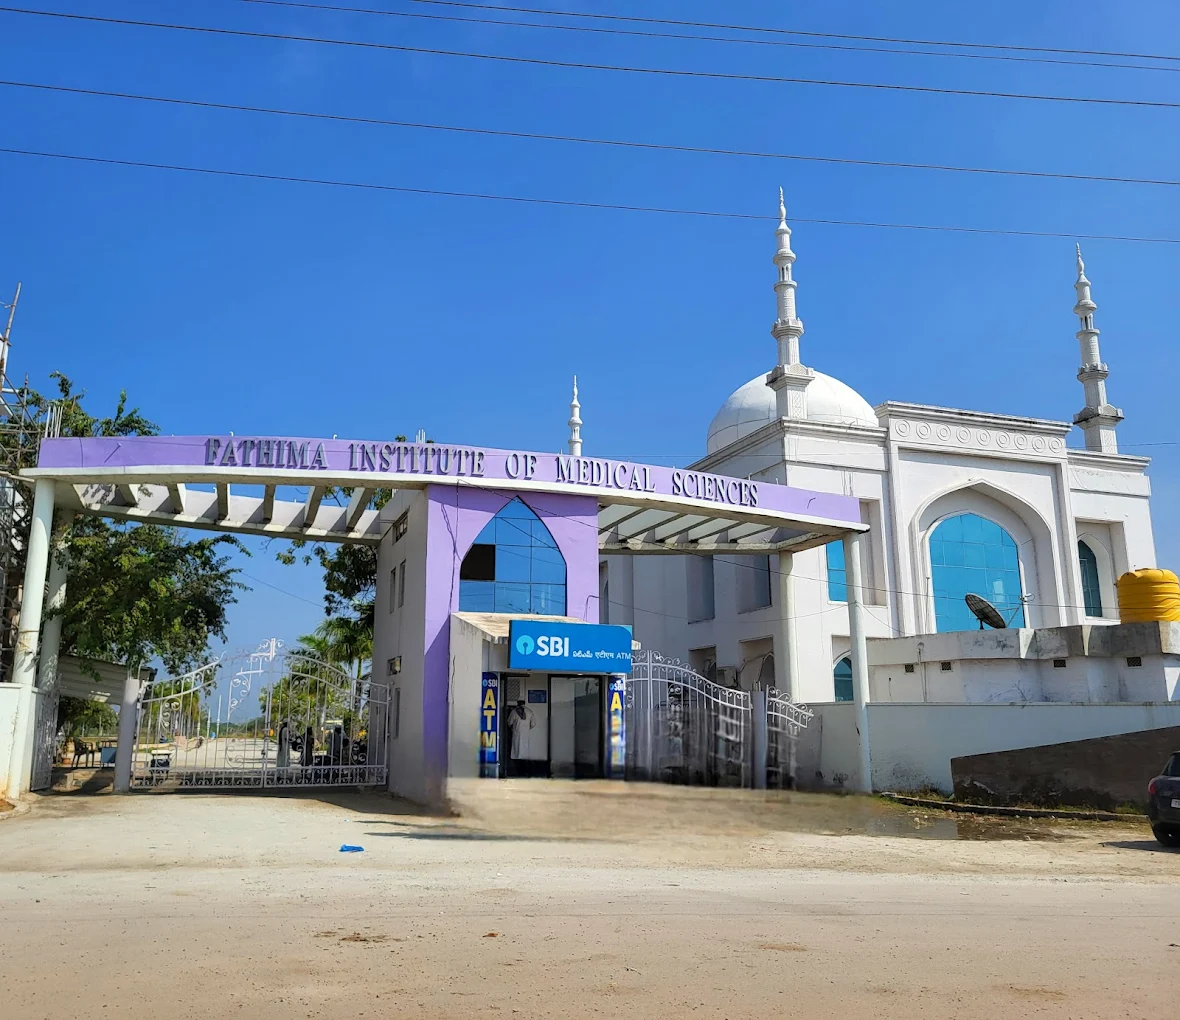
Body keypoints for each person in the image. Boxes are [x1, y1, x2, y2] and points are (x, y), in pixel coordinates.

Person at [507, 700, 536, 767]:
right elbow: (533, 724)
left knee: (517, 750)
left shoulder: (514, 711)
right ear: (524, 703)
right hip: (526, 734)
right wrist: (527, 729)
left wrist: (513, 728)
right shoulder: (530, 711)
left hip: (517, 734)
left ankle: (518, 766)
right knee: (525, 750)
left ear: (518, 703)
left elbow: (509, 722)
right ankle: (524, 767)